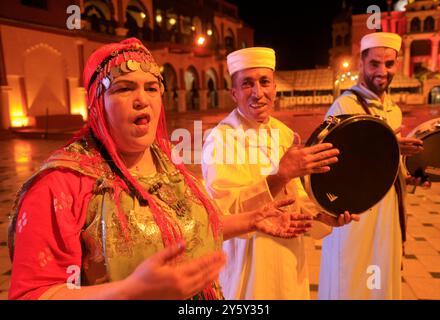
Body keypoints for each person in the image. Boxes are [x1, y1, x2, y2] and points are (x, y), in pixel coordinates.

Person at [7, 38, 313, 300]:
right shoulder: (62, 183)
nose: (142, 100)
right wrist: (130, 290)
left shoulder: (168, 165)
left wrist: (251, 220)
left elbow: (189, 229)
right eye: (124, 89)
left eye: (152, 88)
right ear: (96, 102)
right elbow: (34, 292)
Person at [201, 47, 359, 300]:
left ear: (275, 87)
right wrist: (280, 175)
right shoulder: (220, 140)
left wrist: (323, 215)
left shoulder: (285, 134)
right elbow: (224, 214)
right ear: (234, 93)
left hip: (289, 259)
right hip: (249, 265)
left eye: (264, 82)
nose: (258, 93)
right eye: (247, 84)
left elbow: (296, 200)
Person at [318, 32, 426, 300]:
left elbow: (391, 165)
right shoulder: (344, 105)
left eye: (389, 64)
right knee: (351, 278)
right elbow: (330, 163)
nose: (382, 71)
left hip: (386, 210)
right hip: (354, 212)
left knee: (381, 275)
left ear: (397, 65)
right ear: (361, 64)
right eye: (375, 64)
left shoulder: (393, 110)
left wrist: (410, 176)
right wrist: (387, 146)